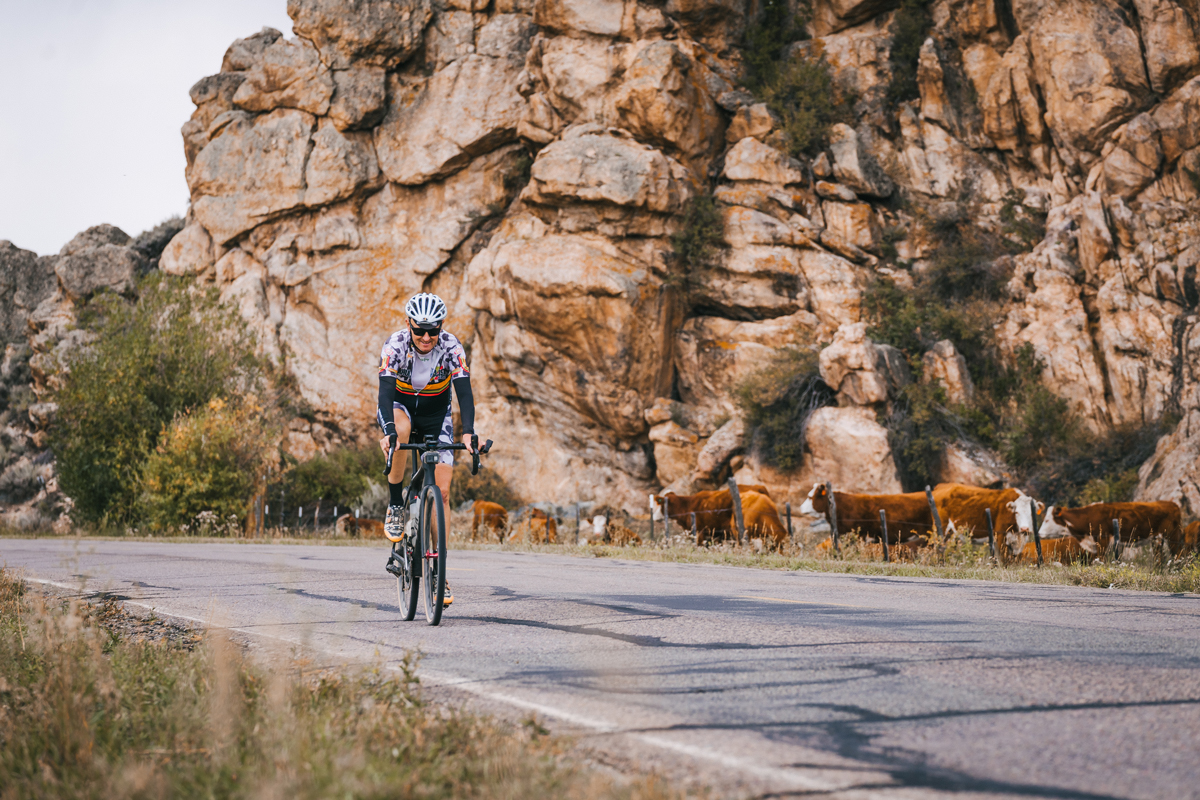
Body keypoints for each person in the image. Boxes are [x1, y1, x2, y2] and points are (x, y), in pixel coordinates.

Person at [377, 292, 477, 606]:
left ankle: (439, 571)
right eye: (419, 329)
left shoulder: (451, 347)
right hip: (401, 409)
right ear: (409, 324)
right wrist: (390, 433)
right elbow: (384, 394)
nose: (425, 336)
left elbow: (464, 393)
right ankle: (395, 505)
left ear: (440, 328)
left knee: (443, 492)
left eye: (433, 330)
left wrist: (470, 433)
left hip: (437, 416)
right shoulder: (395, 346)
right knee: (401, 433)